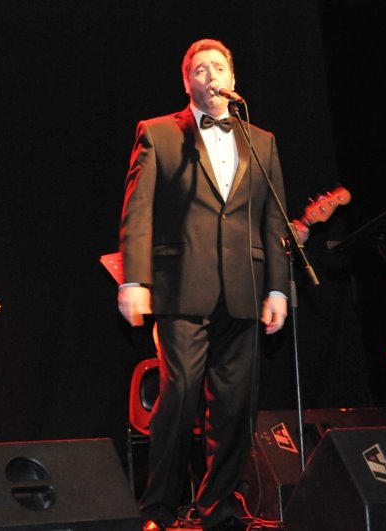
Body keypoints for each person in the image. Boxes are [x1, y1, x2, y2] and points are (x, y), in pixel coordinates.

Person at [117, 39, 288, 531]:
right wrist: (134, 279)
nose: (210, 75)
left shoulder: (262, 140)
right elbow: (138, 211)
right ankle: (159, 507)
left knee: (234, 404)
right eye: (199, 69)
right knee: (179, 394)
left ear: (233, 78)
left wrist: (278, 289)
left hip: (244, 287)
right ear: (187, 81)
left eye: (218, 67)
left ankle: (220, 505)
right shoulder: (158, 133)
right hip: (181, 287)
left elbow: (272, 219)